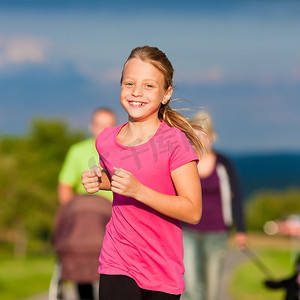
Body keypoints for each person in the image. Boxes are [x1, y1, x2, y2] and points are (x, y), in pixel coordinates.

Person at [81, 45, 204, 300]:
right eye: (129, 84)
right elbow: (122, 181)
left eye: (149, 86)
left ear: (166, 94)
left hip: (161, 268)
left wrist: (140, 191)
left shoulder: (174, 142)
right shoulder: (105, 140)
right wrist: (99, 180)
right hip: (118, 259)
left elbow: (192, 211)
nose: (136, 92)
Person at [181, 111, 248, 300]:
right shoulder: (184, 162)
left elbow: (236, 197)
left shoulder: (224, 164)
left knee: (211, 288)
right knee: (191, 283)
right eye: (195, 135)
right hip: (188, 230)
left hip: (218, 232)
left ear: (213, 136)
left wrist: (241, 230)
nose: (201, 140)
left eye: (205, 135)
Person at [55, 107, 117, 300]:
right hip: (85, 219)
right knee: (81, 252)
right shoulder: (78, 151)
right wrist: (72, 213)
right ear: (91, 126)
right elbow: (65, 186)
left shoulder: (122, 152)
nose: (103, 130)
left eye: (108, 126)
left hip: (112, 217)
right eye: (99, 125)